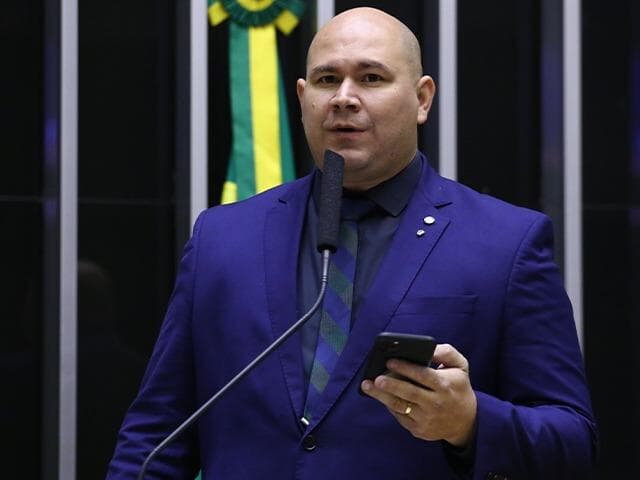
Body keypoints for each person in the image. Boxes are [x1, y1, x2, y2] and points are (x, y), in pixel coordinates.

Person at [107, 7, 597, 479]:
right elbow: (156, 435)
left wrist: (469, 423)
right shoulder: (222, 238)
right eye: (327, 80)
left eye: (371, 78)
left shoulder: (506, 242)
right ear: (303, 98)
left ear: (422, 99)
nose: (344, 97)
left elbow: (572, 443)